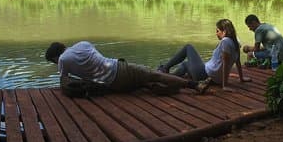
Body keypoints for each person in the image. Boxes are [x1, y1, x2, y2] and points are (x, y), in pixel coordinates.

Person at [45, 41, 200, 97]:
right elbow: (97, 59)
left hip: (113, 86)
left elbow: (64, 82)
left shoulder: (63, 61)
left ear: (54, 58)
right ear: (63, 46)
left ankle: (159, 86)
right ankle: (193, 85)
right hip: (119, 69)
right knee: (154, 75)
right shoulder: (83, 44)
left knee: (144, 82)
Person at [157, 18, 250, 91]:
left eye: (217, 31)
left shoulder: (225, 42)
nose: (216, 33)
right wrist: (241, 78)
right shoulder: (236, 41)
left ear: (224, 32)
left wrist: (224, 86)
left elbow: (225, 64)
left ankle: (165, 71)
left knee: (188, 47)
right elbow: (237, 61)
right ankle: (167, 78)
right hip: (212, 77)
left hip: (204, 75)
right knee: (185, 65)